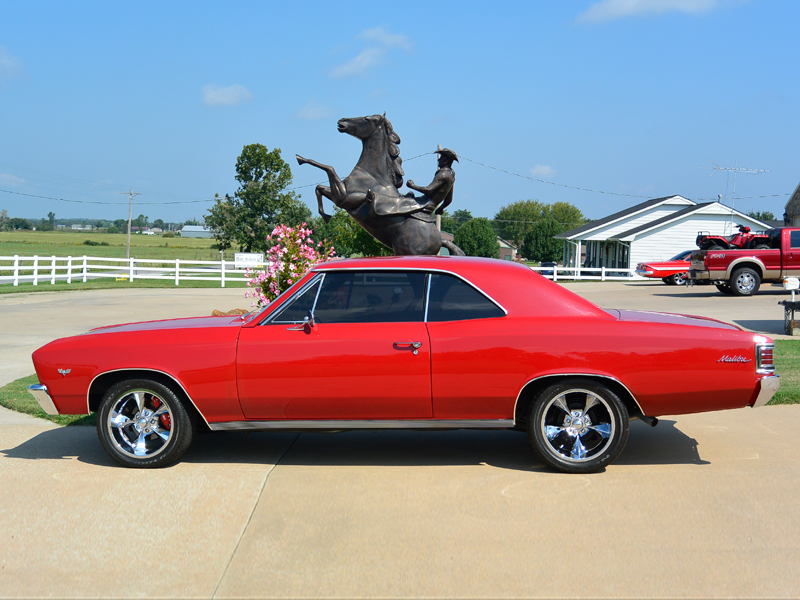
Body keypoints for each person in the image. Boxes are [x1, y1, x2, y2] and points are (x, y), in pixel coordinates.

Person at [406, 148, 458, 215]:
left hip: (425, 203)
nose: (438, 159)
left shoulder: (443, 174)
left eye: (441, 158)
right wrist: (441, 208)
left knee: (401, 203)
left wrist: (412, 185)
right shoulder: (451, 175)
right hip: (431, 206)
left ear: (446, 161)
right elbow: (449, 199)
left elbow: (429, 190)